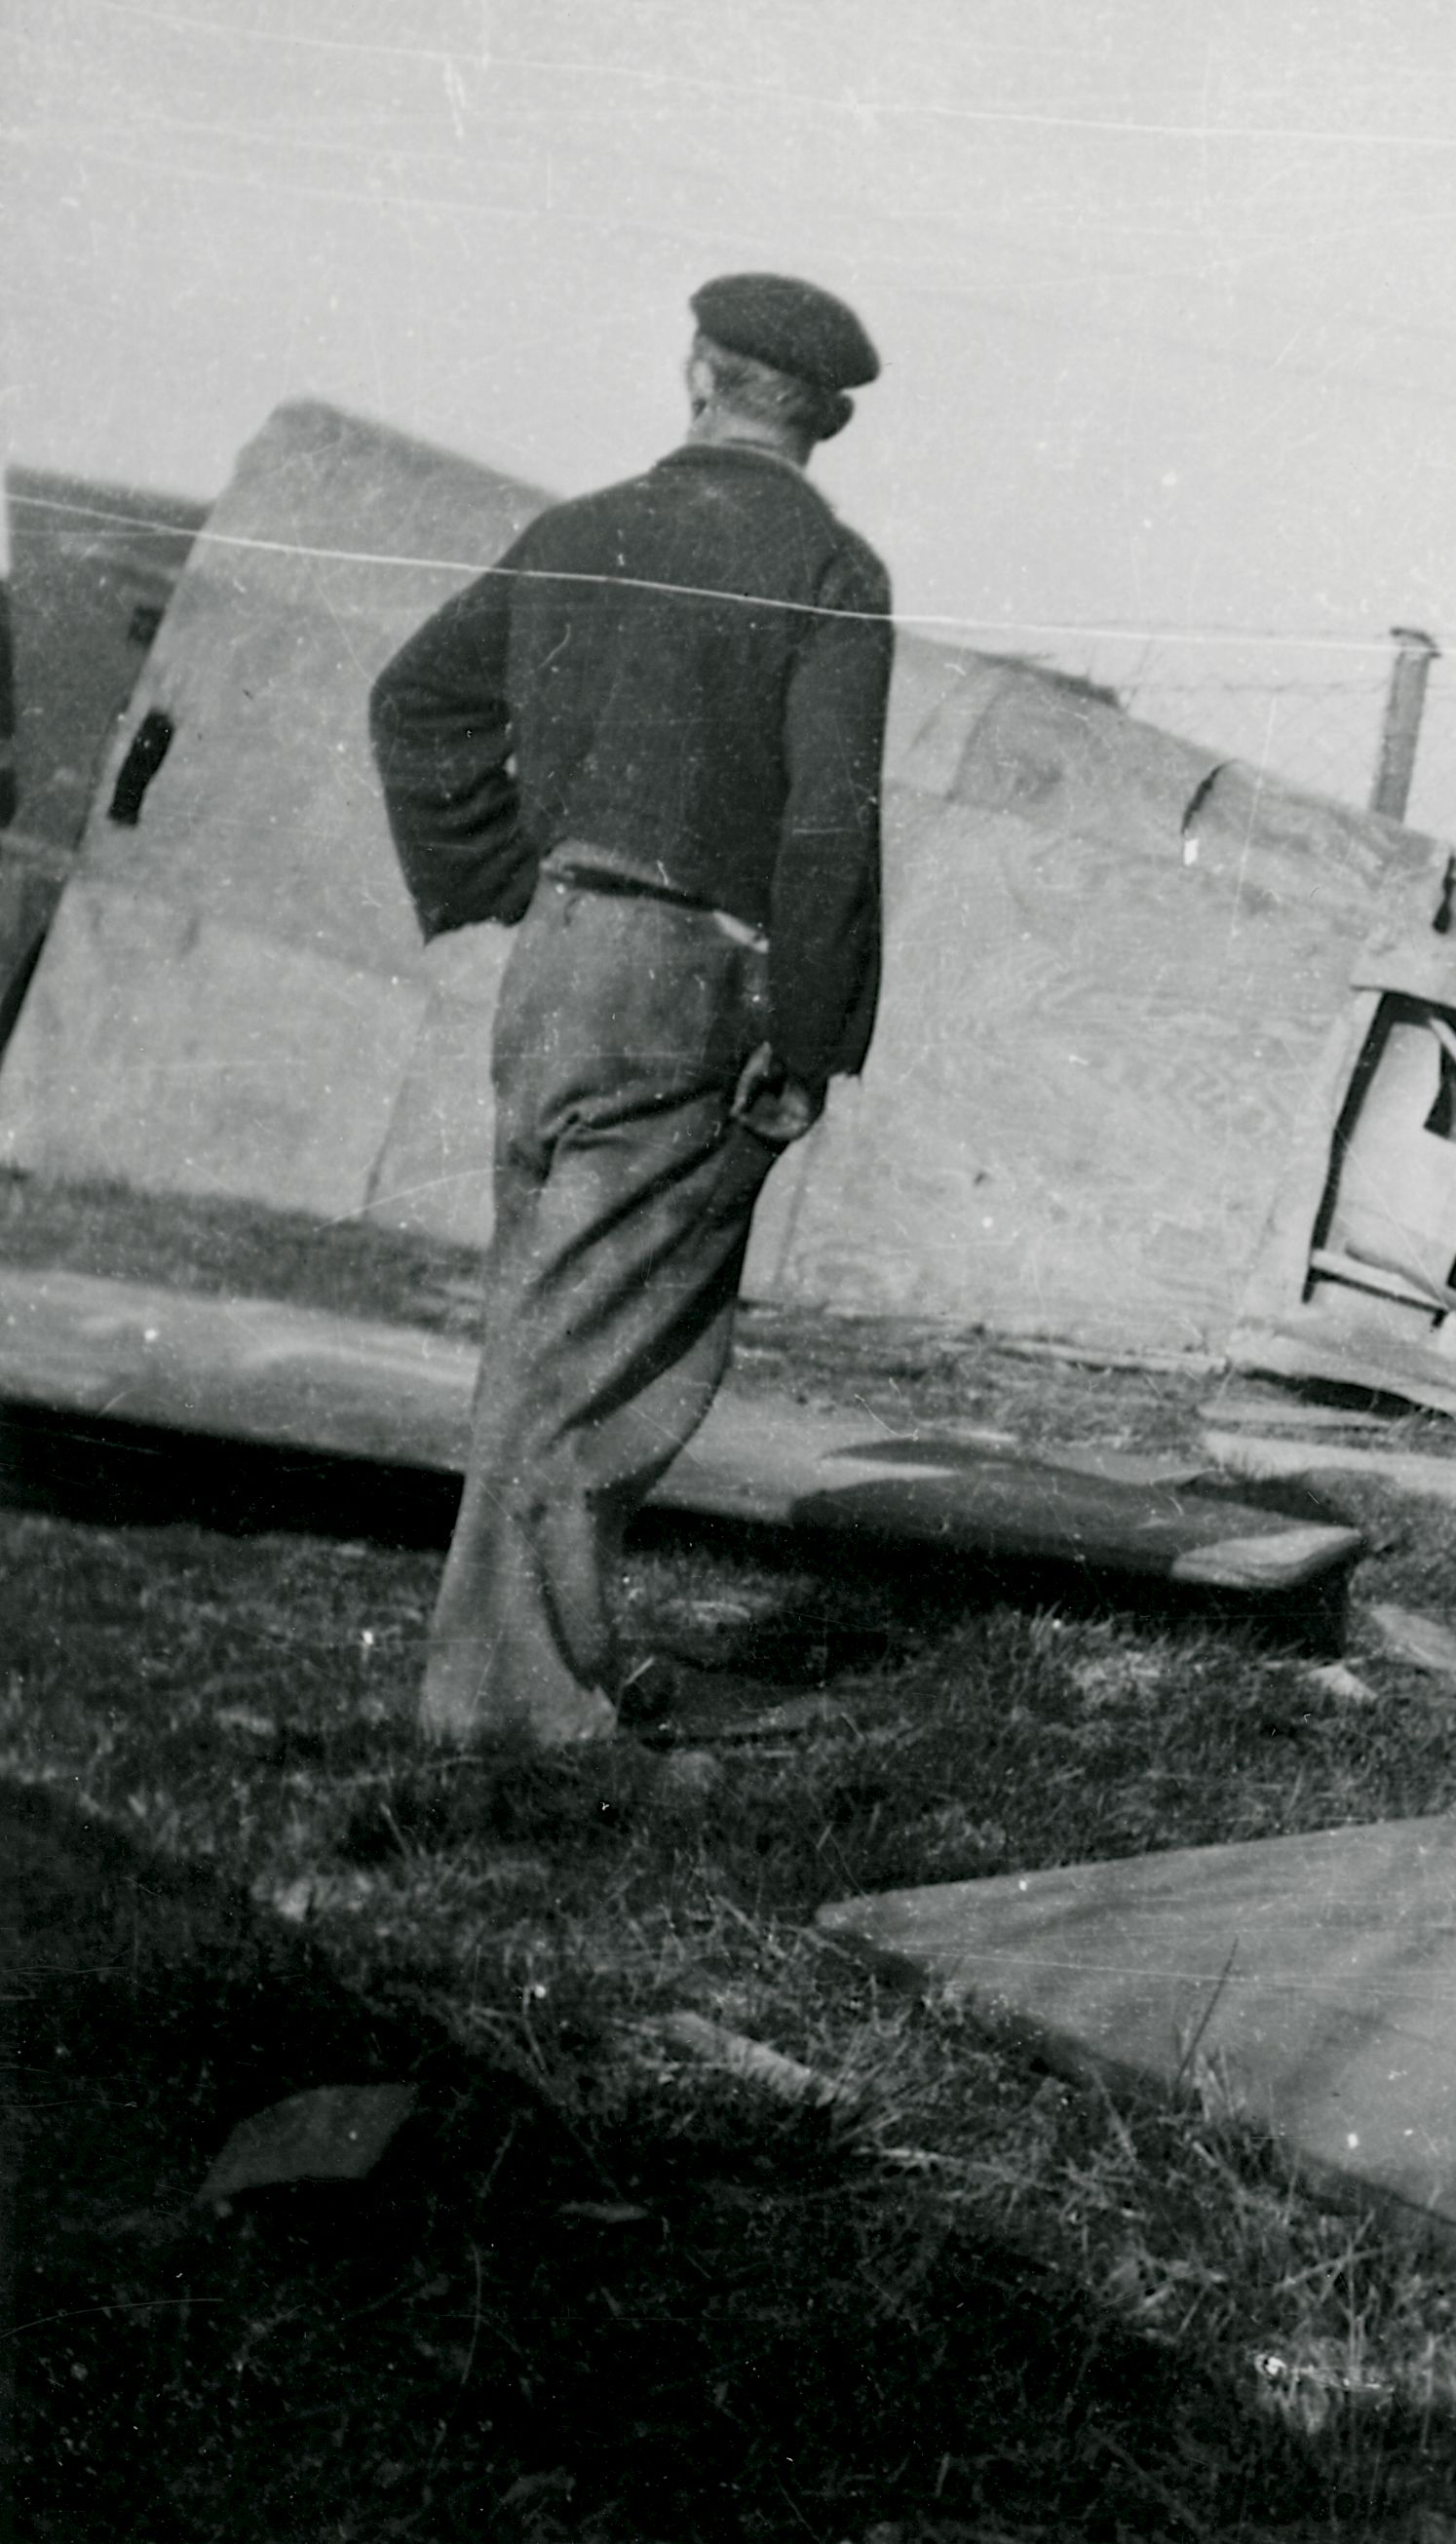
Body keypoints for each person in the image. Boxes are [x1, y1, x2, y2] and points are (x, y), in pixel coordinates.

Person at [368, 273, 894, 1742]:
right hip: (691, 984)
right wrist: (809, 1036)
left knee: (543, 1323)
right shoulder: (830, 569)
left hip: (558, 962)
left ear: (697, 376)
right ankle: (514, 1709)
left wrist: (500, 873)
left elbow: (413, 701)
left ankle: (544, 1659)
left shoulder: (575, 529)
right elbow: (827, 824)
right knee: (598, 1352)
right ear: (826, 420)